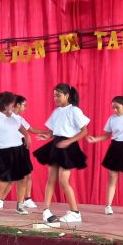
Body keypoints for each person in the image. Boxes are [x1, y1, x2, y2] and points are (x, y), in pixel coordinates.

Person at [33, 83, 89, 224]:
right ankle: (46, 210)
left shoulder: (74, 111)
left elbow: (84, 131)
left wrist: (69, 141)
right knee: (51, 179)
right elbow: (54, 130)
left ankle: (75, 213)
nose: (56, 98)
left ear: (67, 95)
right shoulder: (57, 111)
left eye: (58, 95)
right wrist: (47, 135)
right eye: (54, 96)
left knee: (63, 181)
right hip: (56, 145)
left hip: (67, 147)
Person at [0, 95, 44, 210]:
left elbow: (32, 130)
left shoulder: (20, 119)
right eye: (24, 105)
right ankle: (0, 200)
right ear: (17, 105)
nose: (25, 107)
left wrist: (48, 132)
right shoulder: (8, 116)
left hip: (23, 146)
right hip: (12, 146)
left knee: (27, 174)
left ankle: (27, 199)